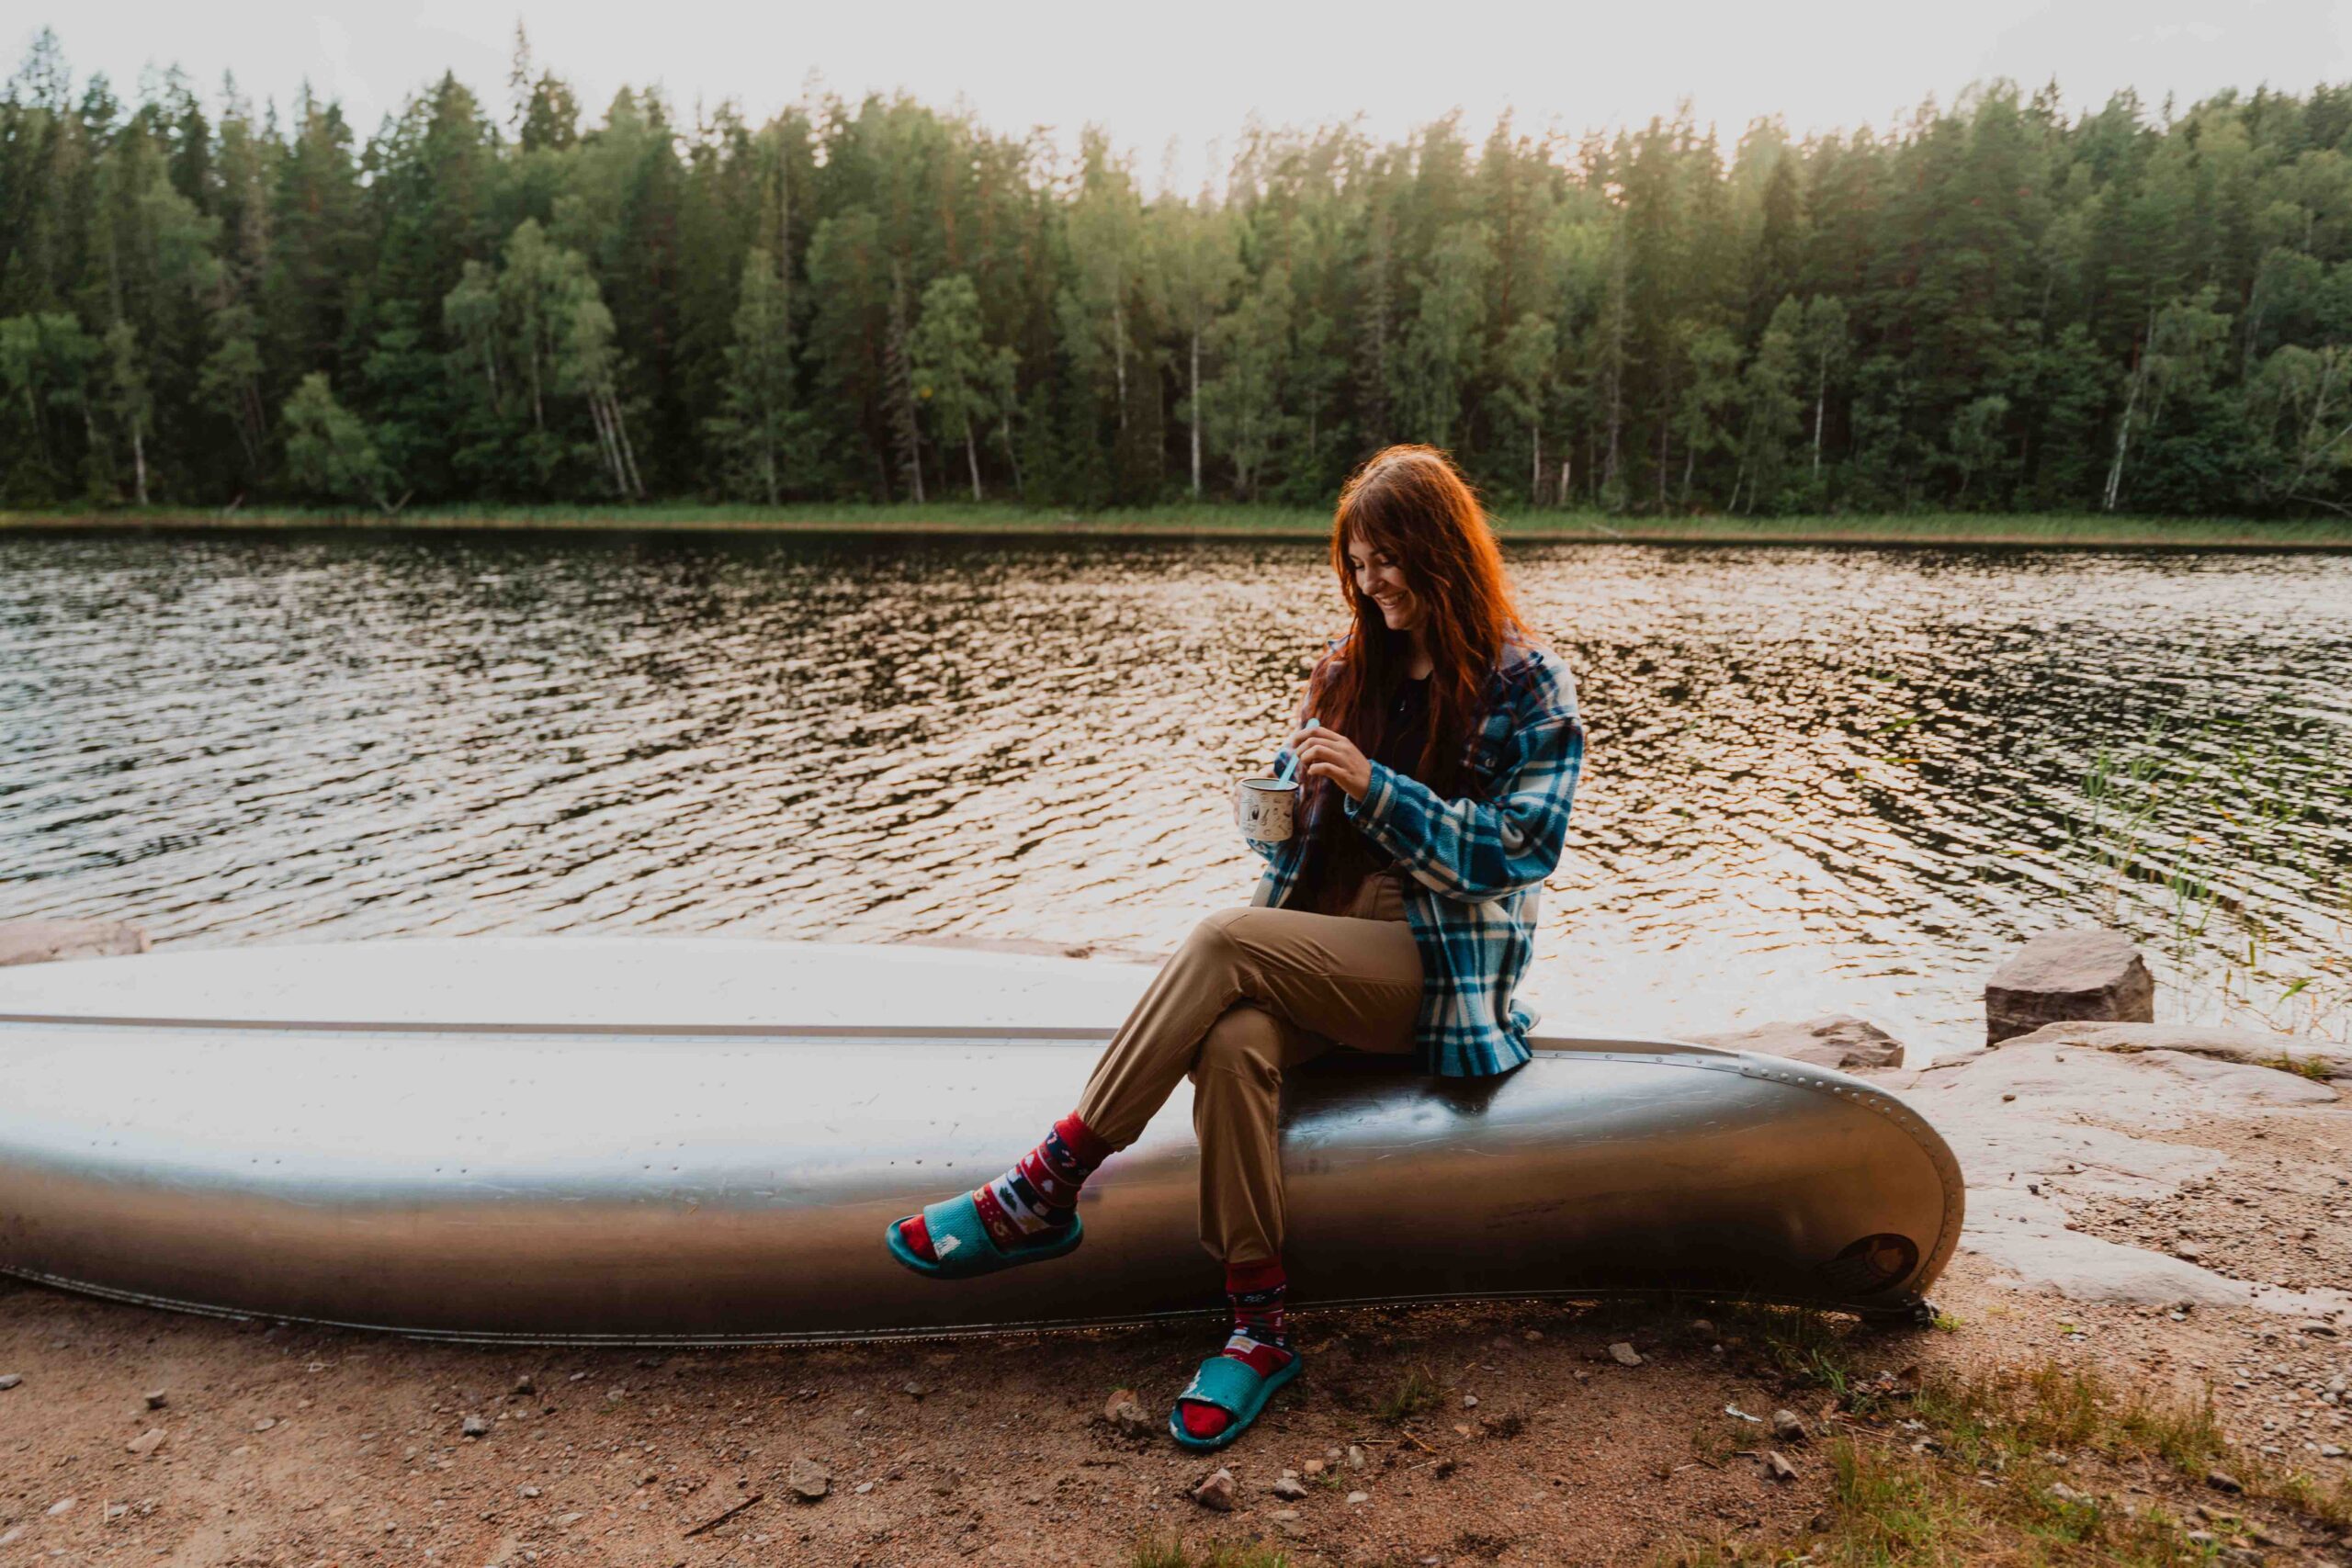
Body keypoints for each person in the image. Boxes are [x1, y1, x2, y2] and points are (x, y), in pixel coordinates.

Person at [884, 445, 1585, 1450]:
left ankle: (1046, 1186)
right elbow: (1280, 829)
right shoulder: (1345, 668)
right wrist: (1283, 800)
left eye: (1386, 560)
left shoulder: (1527, 682)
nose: (1367, 581)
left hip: (1436, 966)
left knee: (1222, 940)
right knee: (1229, 1045)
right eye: (1355, 560)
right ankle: (1258, 1328)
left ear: (1441, 553)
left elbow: (1522, 850)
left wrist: (1375, 787)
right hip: (1321, 939)